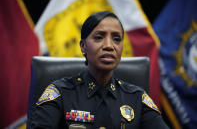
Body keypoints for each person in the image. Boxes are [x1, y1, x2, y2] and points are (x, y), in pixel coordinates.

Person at [29, 11, 169, 129]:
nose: (109, 45)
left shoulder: (137, 97)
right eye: (99, 37)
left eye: (116, 39)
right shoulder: (59, 93)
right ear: (83, 46)